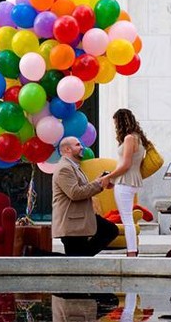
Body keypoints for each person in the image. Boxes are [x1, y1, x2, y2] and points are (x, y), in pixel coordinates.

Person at [49, 136, 119, 256]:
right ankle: (34, 253)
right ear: (67, 149)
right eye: (77, 145)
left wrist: (99, 181)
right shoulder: (64, 168)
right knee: (74, 261)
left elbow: (81, 189)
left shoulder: (73, 167)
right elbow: (75, 193)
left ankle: (33, 253)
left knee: (109, 230)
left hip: (80, 219)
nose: (82, 147)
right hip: (72, 223)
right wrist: (99, 183)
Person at [102, 108, 148, 257]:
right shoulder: (139, 138)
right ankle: (132, 250)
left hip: (125, 182)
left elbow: (126, 164)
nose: (115, 126)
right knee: (127, 218)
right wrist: (114, 179)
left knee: (126, 219)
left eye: (116, 123)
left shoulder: (129, 138)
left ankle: (131, 251)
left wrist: (108, 177)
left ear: (120, 122)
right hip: (130, 181)